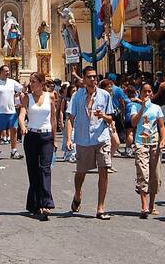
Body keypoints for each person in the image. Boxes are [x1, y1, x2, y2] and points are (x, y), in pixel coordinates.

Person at [64, 66, 114, 220]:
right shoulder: (77, 97)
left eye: (94, 77)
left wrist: (103, 116)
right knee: (81, 172)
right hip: (83, 139)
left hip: (101, 137)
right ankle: (78, 194)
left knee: (104, 170)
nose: (93, 79)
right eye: (89, 77)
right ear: (84, 79)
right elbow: (70, 118)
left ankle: (100, 207)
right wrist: (68, 139)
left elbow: (111, 118)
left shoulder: (105, 95)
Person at [18, 72, 56, 220]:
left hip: (46, 135)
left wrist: (54, 139)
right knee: (33, 170)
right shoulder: (27, 98)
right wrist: (22, 126)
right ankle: (34, 203)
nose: (31, 84)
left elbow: (52, 118)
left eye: (34, 82)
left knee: (45, 169)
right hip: (31, 135)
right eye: (30, 82)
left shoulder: (51, 96)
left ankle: (46, 203)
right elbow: (22, 114)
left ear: (41, 83)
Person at [130, 82, 165, 219]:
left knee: (154, 174)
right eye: (145, 91)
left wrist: (163, 140)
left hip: (154, 143)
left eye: (149, 91)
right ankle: (144, 205)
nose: (147, 94)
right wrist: (142, 107)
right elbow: (133, 122)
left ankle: (152, 204)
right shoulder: (135, 106)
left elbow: (161, 126)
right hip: (141, 143)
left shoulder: (157, 108)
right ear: (140, 93)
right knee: (143, 173)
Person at [0, 65, 23, 160]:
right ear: (0, 72)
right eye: (6, 71)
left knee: (13, 130)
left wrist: (25, 87)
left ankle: (14, 151)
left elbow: (21, 89)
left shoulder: (12, 82)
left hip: (11, 111)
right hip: (0, 111)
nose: (8, 72)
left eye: (8, 71)